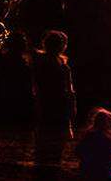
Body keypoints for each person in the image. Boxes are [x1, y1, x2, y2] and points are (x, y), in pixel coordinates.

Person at [33, 30, 77, 180]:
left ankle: (44, 170)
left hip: (47, 105)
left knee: (45, 140)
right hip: (57, 105)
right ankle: (51, 169)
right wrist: (72, 107)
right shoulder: (62, 67)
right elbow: (69, 90)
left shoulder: (40, 63)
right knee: (56, 141)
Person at [0, 30, 35, 129]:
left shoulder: (5, 58)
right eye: (23, 42)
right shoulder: (19, 62)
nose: (25, 44)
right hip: (16, 94)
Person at [76, 107, 111, 181]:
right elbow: (110, 158)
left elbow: (78, 151)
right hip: (101, 171)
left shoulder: (88, 134)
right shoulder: (106, 139)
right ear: (107, 124)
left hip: (86, 170)